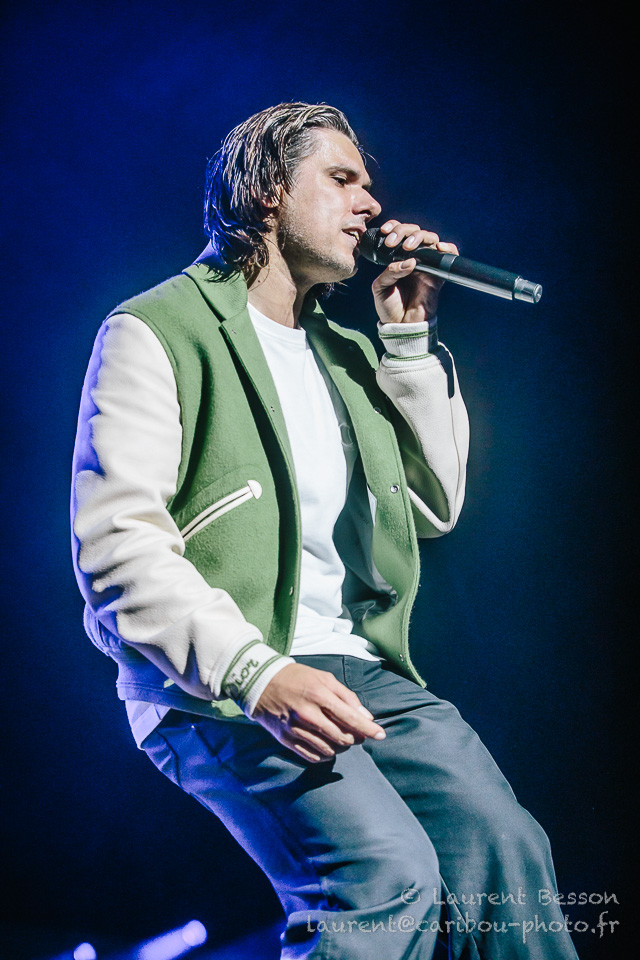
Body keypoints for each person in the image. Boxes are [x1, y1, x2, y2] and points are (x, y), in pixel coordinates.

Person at [71, 102, 579, 960]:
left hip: (359, 672)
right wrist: (257, 673)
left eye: (368, 186)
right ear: (268, 189)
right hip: (217, 678)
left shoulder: (343, 351)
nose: (370, 204)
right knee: (384, 879)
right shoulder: (156, 330)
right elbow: (118, 548)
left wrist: (407, 340)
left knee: (508, 854)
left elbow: (429, 506)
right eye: (342, 179)